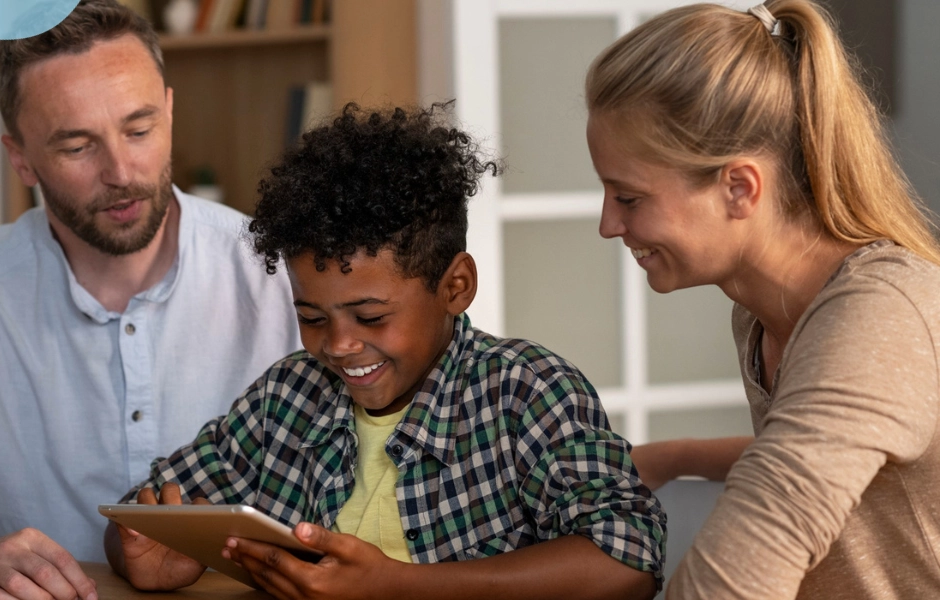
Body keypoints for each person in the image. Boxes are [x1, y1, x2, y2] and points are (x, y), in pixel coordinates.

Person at [0, 1, 300, 598]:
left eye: (139, 129)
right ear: (20, 157)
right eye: (76, 146)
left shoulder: (279, 274)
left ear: (170, 111)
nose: (121, 171)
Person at [105, 103, 666, 600]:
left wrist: (398, 586)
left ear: (456, 287)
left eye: (371, 317)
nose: (340, 345)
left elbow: (627, 558)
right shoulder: (285, 400)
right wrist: (148, 552)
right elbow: (137, 510)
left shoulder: (526, 394)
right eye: (311, 317)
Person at [585, 0, 940, 598]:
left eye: (630, 198)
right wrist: (673, 458)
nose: (608, 225)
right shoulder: (757, 314)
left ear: (739, 187)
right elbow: (813, 454)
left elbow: (752, 554)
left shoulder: (882, 315)